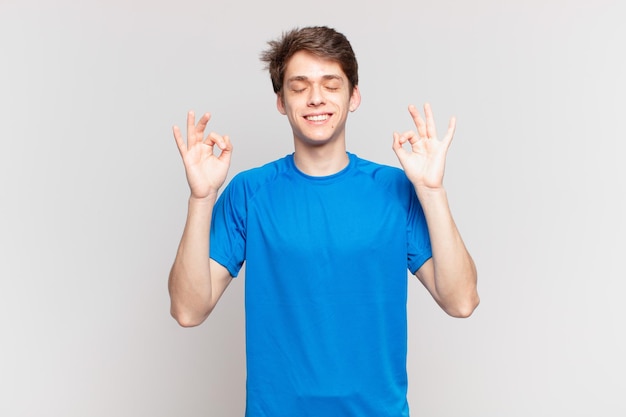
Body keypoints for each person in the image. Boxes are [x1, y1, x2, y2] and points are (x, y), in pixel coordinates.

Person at [168, 26, 479, 417]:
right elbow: (187, 310)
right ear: (281, 101)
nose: (316, 98)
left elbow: (461, 301)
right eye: (299, 87)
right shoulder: (250, 192)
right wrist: (201, 198)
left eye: (331, 84)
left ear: (354, 96)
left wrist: (432, 192)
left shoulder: (396, 190)